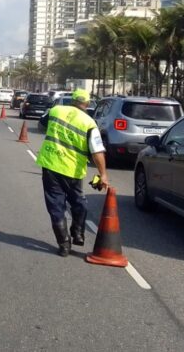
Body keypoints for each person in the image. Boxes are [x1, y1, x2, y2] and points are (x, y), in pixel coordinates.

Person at [35, 88, 109, 256]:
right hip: (73, 171)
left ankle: (64, 244)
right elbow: (97, 151)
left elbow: (41, 125)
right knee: (78, 202)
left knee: (56, 207)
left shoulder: (56, 110)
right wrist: (103, 174)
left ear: (72, 100)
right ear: (87, 103)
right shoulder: (89, 123)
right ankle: (78, 233)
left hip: (51, 166)